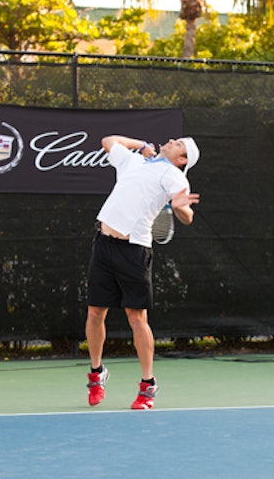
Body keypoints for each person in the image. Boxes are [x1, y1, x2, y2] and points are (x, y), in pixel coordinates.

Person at [85, 134, 200, 410]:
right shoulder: (133, 162)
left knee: (136, 318)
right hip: (103, 245)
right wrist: (141, 145)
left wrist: (179, 207)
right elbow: (108, 140)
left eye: (179, 144)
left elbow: (187, 216)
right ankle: (96, 373)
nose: (172, 140)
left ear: (182, 159)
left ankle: (148, 385)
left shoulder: (174, 176)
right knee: (94, 313)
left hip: (134, 251)